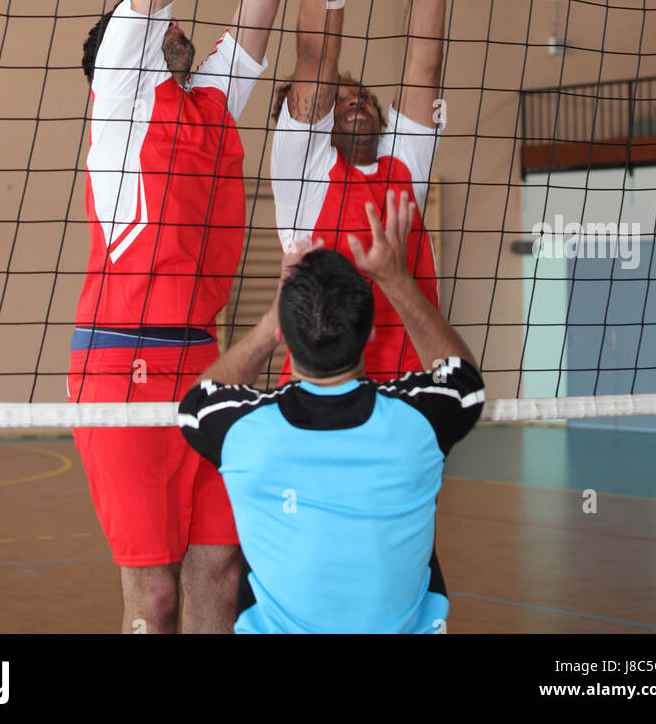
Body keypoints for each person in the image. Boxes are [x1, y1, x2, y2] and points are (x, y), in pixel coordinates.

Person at [69, 0, 296, 634]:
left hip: (208, 362)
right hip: (119, 365)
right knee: (153, 594)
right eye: (148, 21)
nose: (170, 24)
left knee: (220, 575)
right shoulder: (121, 87)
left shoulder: (206, 103)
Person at [178, 191, 484, 634]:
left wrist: (269, 326)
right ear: (371, 329)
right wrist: (396, 280)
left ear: (286, 333)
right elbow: (463, 380)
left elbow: (198, 402)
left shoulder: (244, 431)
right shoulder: (420, 421)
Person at [270, 0, 447, 380]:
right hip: (320, 389)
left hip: (412, 387)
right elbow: (317, 53)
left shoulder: (403, 163)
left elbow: (425, 61)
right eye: (340, 98)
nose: (355, 101)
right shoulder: (303, 171)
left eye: (364, 96)